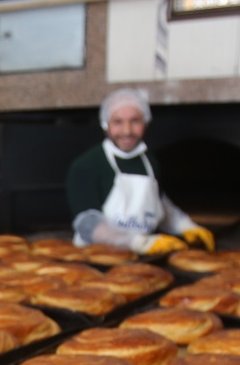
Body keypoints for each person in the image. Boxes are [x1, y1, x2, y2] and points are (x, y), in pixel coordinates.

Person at [66, 87, 214, 255]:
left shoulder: (149, 161)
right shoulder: (87, 165)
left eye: (135, 121)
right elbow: (87, 224)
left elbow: (159, 203)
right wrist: (138, 242)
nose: (127, 131)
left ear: (145, 122)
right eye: (118, 122)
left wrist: (185, 226)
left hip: (142, 257)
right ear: (105, 125)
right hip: (97, 257)